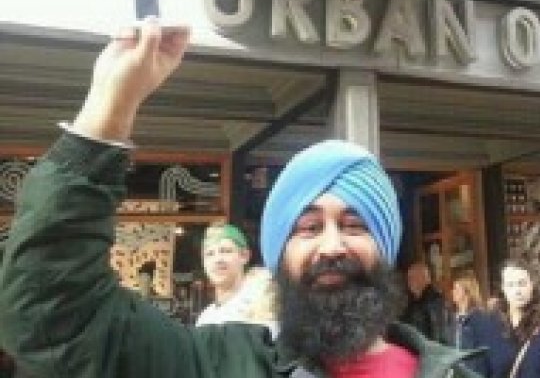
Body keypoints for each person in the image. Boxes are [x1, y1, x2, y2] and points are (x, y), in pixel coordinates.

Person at [0, 20, 481, 377]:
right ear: (277, 255)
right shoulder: (219, 363)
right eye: (308, 227)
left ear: (386, 249)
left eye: (355, 225)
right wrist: (110, 107)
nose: (332, 245)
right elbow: (49, 310)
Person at [489, 258, 540, 378]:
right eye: (510, 285)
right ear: (503, 288)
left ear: (532, 284)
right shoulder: (493, 324)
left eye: (522, 283)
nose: (517, 291)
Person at [196, 224, 278, 338]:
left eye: (226, 251)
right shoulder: (205, 318)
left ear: (245, 256)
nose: (218, 259)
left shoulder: (264, 306)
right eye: (209, 254)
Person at [447, 273, 501, 376]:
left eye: (456, 289)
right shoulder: (454, 318)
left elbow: (490, 351)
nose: (453, 292)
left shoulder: (480, 318)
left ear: (467, 291)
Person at [401, 261, 450, 343]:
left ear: (423, 278)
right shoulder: (413, 301)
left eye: (411, 277)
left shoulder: (435, 301)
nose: (408, 282)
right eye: (408, 278)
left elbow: (439, 334)